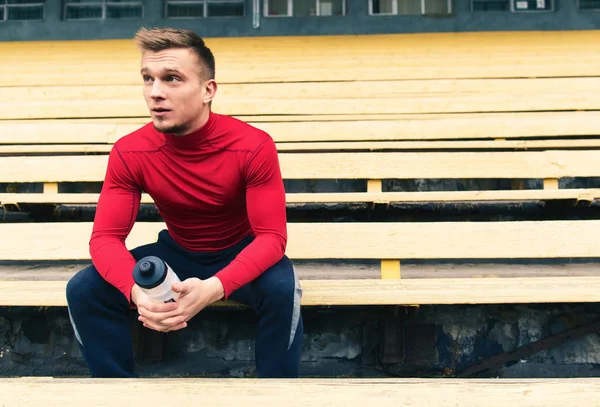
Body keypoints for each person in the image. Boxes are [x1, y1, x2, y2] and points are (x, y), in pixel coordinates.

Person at [65, 27, 303, 378]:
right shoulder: (130, 150)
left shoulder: (252, 145)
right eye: (148, 79)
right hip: (178, 253)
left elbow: (271, 237)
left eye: (172, 79)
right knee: (84, 289)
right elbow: (105, 239)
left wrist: (214, 288)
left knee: (284, 291)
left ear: (208, 90)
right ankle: (115, 392)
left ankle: (278, 394)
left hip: (240, 251)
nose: (155, 93)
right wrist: (135, 293)